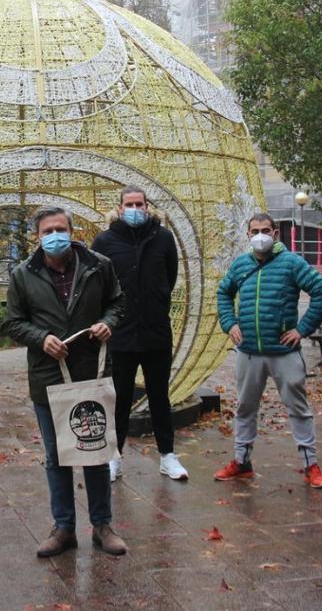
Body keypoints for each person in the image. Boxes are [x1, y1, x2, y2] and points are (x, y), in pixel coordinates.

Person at [4, 205, 128, 558]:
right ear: (37, 237)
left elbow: (118, 304)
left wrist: (108, 322)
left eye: (60, 228)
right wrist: (41, 337)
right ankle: (63, 528)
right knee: (56, 456)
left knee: (95, 451)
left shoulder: (98, 266)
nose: (54, 235)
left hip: (92, 372)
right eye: (47, 231)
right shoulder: (23, 274)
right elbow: (13, 322)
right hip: (48, 376)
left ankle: (103, 525)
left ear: (72, 231)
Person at [214, 213, 322, 487]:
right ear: (247, 235)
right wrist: (229, 323)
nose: (260, 236)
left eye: (265, 230)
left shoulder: (290, 262)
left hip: (284, 352)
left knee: (298, 409)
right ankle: (242, 462)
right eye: (254, 231)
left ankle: (310, 464)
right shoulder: (241, 264)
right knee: (245, 408)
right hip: (249, 352)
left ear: (275, 233)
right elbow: (223, 293)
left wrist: (302, 329)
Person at [91, 185, 187, 483]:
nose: (135, 209)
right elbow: (98, 283)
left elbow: (168, 278)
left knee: (159, 396)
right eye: (129, 204)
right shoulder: (105, 241)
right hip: (121, 334)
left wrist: (154, 303)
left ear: (148, 206)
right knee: (119, 399)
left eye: (140, 204)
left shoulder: (163, 238)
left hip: (156, 331)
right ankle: (114, 457)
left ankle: (168, 456)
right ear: (119, 208)